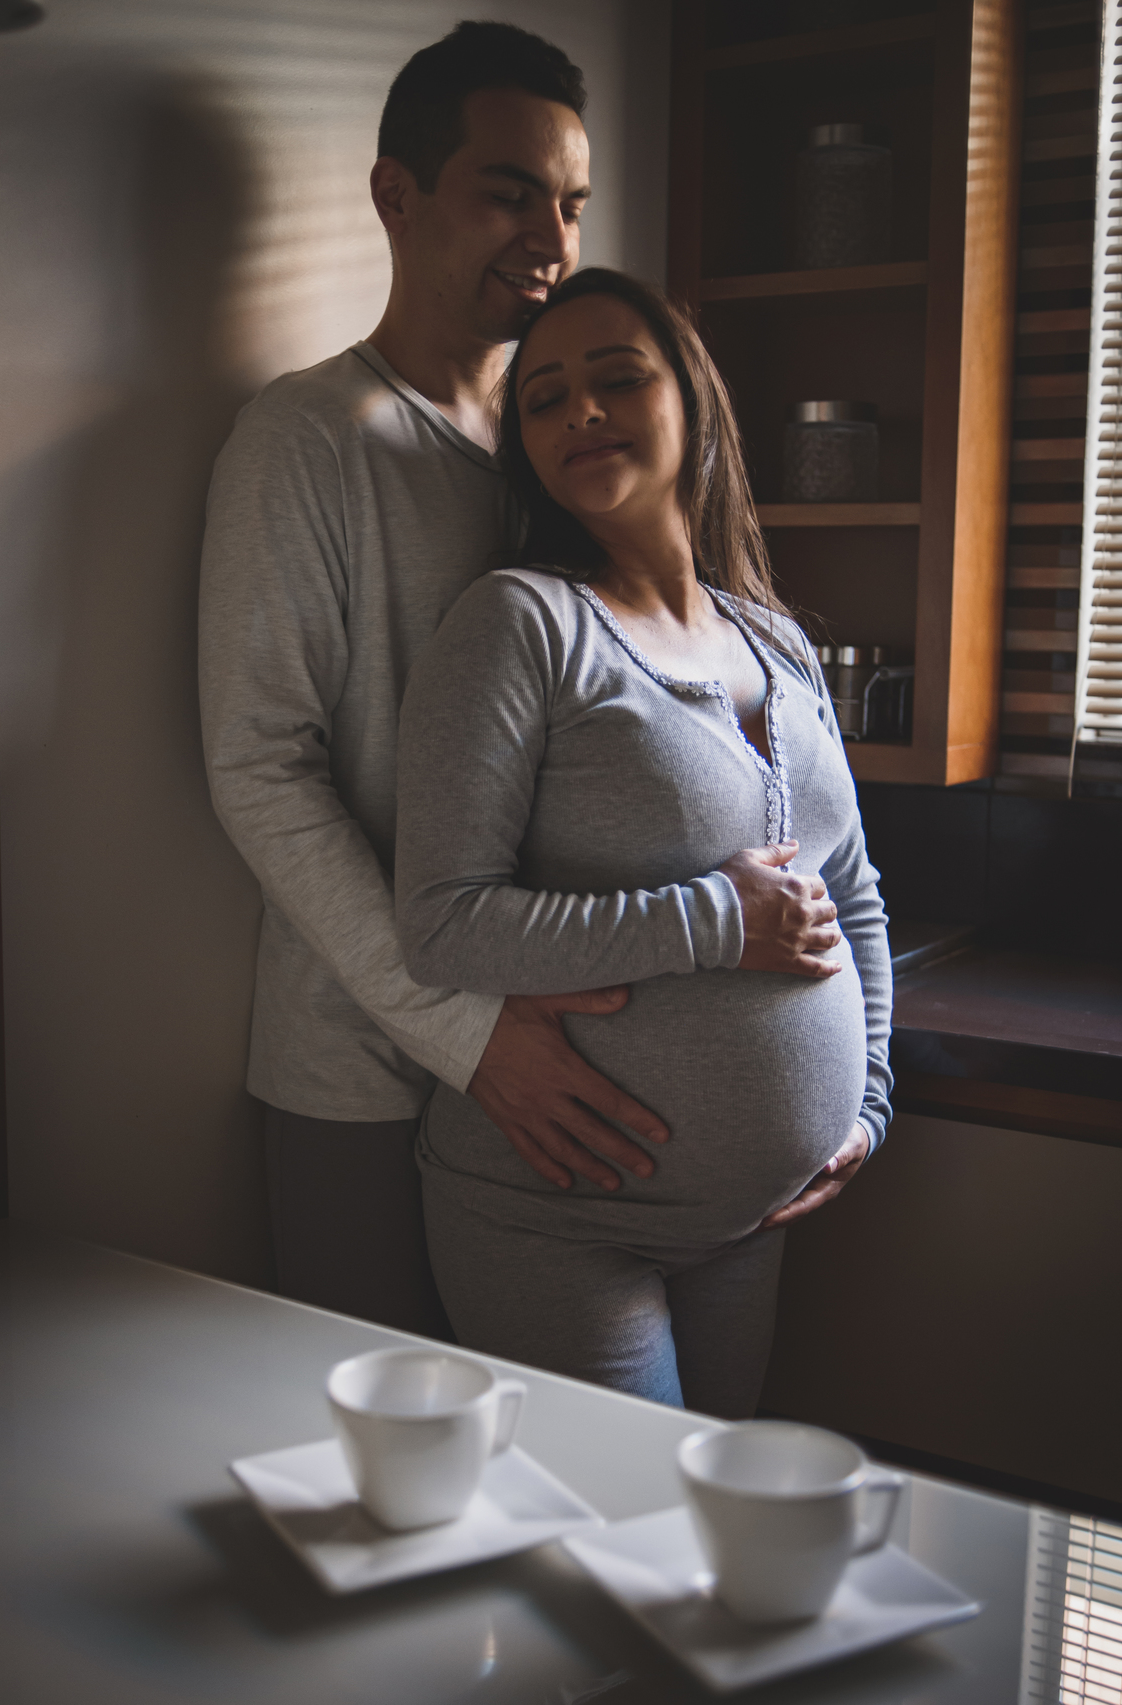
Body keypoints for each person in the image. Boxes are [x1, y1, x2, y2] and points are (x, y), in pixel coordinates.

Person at [200, 24, 839, 1340]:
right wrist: (471, 1034)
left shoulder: (558, 441)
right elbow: (261, 768)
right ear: (398, 195)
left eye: (570, 204)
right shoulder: (309, 439)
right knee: (396, 1487)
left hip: (589, 1088)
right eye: (508, 193)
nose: (549, 240)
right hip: (370, 1067)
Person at [395, 268, 891, 1415]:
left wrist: (866, 1099)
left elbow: (852, 892)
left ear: (694, 403)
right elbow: (441, 921)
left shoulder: (776, 639)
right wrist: (714, 921)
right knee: (626, 1550)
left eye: (618, 378)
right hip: (552, 1217)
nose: (582, 412)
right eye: (546, 398)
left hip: (747, 1222)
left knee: (700, 1558)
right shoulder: (519, 624)